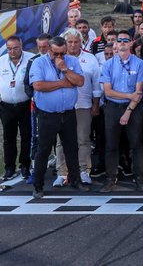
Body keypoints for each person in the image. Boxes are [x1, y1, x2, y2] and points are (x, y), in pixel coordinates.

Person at [28, 36, 85, 198]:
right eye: (56, 53)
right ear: (48, 50)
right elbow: (38, 85)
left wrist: (65, 69)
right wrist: (62, 83)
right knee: (43, 150)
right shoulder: (39, 63)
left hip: (68, 113)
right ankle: (38, 185)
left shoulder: (71, 61)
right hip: (48, 115)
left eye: (62, 53)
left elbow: (80, 81)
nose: (59, 57)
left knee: (72, 148)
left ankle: (75, 179)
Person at [99, 29, 143, 192]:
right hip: (112, 107)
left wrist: (128, 111)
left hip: (133, 109)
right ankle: (110, 178)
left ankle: (140, 178)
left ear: (131, 43)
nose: (122, 43)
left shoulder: (139, 63)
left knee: (136, 144)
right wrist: (128, 95)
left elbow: (139, 92)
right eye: (119, 40)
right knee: (111, 145)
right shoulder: (108, 64)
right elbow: (108, 91)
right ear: (115, 43)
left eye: (125, 40)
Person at [55, 29, 101, 186]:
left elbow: (96, 84)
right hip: (63, 106)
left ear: (81, 42)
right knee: (61, 141)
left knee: (83, 139)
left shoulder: (90, 59)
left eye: (76, 41)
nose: (73, 45)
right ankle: (62, 173)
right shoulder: (58, 59)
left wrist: (96, 104)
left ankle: (83, 170)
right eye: (70, 42)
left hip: (83, 105)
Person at [0, 36, 33, 180]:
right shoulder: (1, 61)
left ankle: (25, 166)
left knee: (26, 136)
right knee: (8, 138)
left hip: (25, 105)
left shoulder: (31, 59)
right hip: (7, 106)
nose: (12, 51)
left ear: (21, 46)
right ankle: (9, 167)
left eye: (15, 48)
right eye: (9, 49)